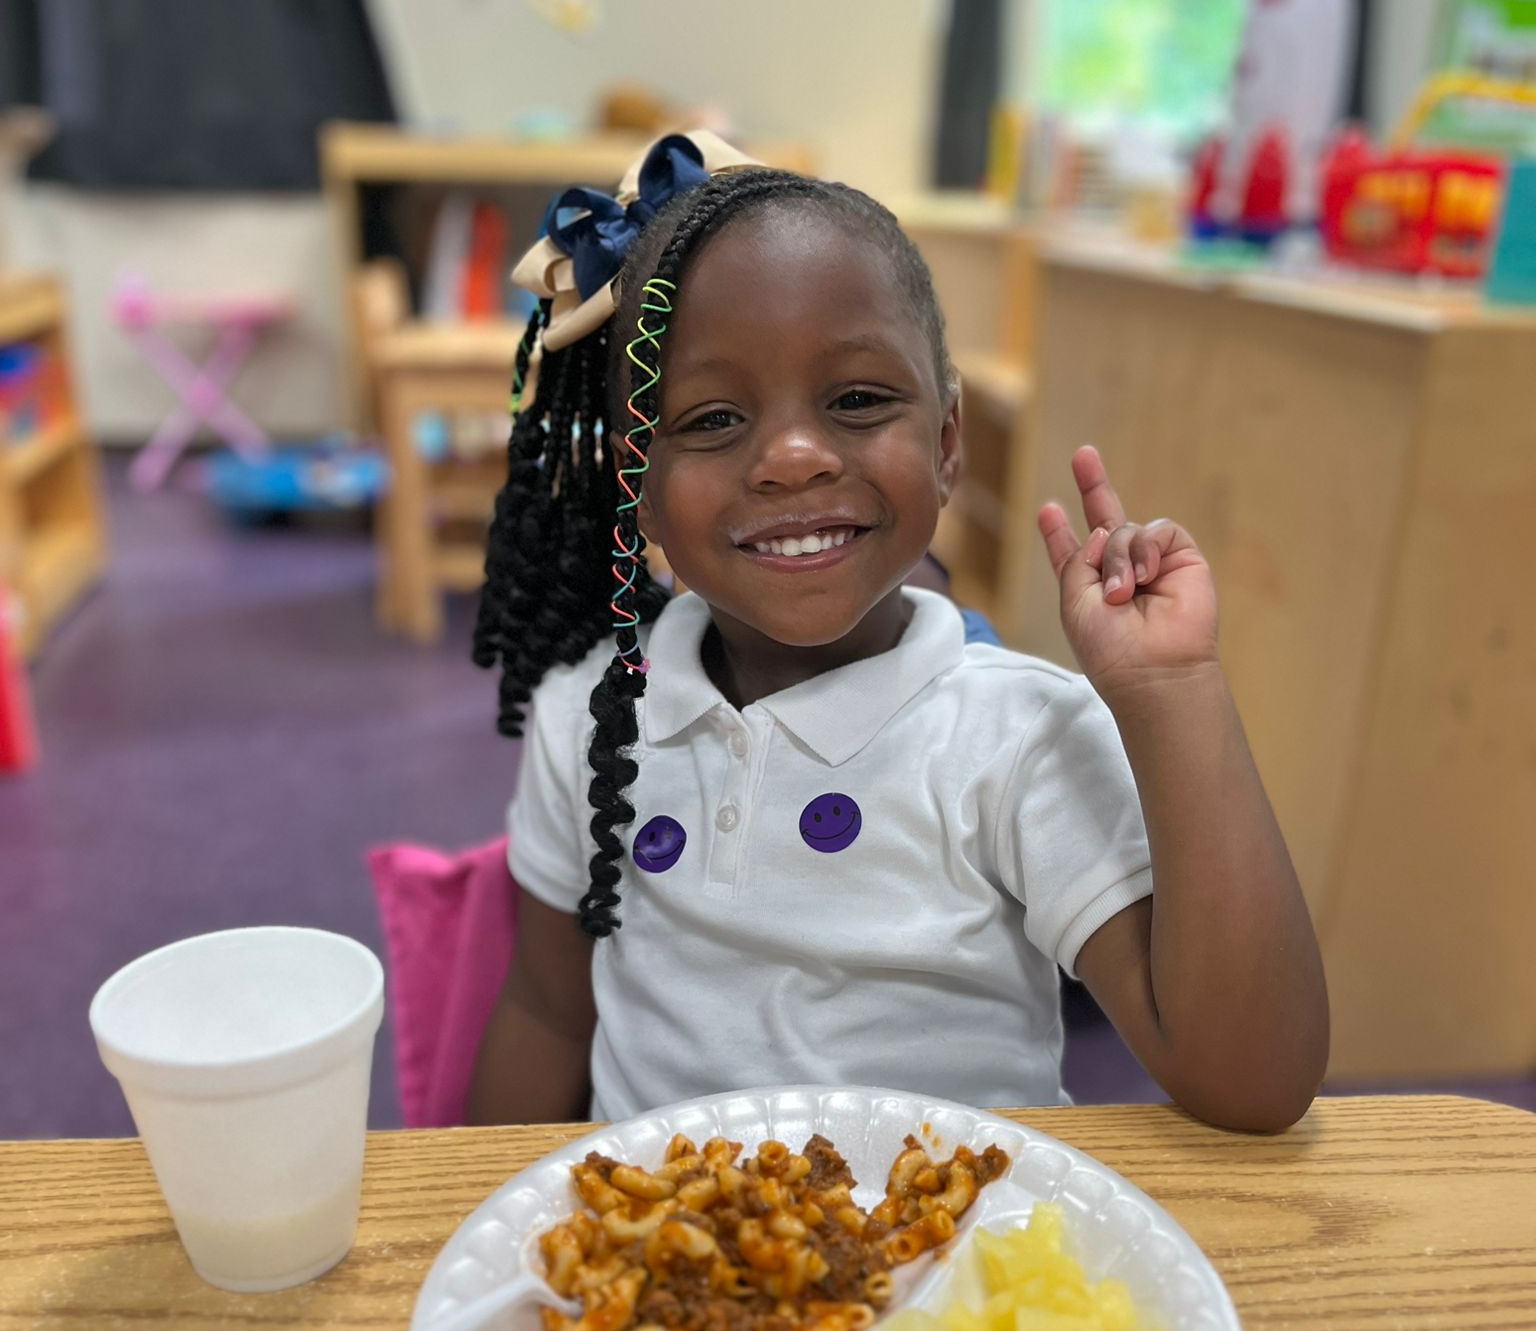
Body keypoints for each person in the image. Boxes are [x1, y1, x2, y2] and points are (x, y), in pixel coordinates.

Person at [468, 135, 1327, 1132]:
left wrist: (1174, 692)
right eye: (710, 418)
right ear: (636, 483)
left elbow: (1255, 1080)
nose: (791, 457)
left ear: (949, 440)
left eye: (858, 400)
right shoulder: (586, 716)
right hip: (666, 1269)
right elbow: (544, 1010)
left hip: (958, 1270)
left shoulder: (1020, 734)